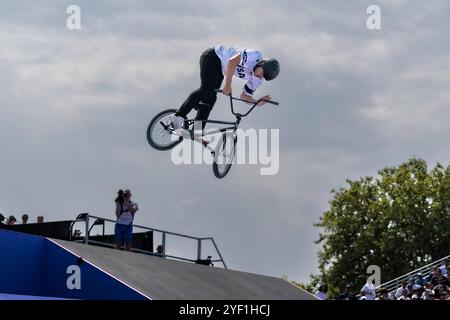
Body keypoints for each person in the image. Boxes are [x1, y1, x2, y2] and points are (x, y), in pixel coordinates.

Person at [169, 46, 280, 134]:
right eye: (262, 74)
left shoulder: (258, 79)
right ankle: (178, 116)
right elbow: (231, 62)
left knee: (211, 98)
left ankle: (197, 131)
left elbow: (244, 97)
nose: (261, 78)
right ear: (262, 64)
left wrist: (256, 102)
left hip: (220, 69)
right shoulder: (254, 55)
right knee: (207, 90)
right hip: (213, 57)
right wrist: (228, 85)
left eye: (263, 77)